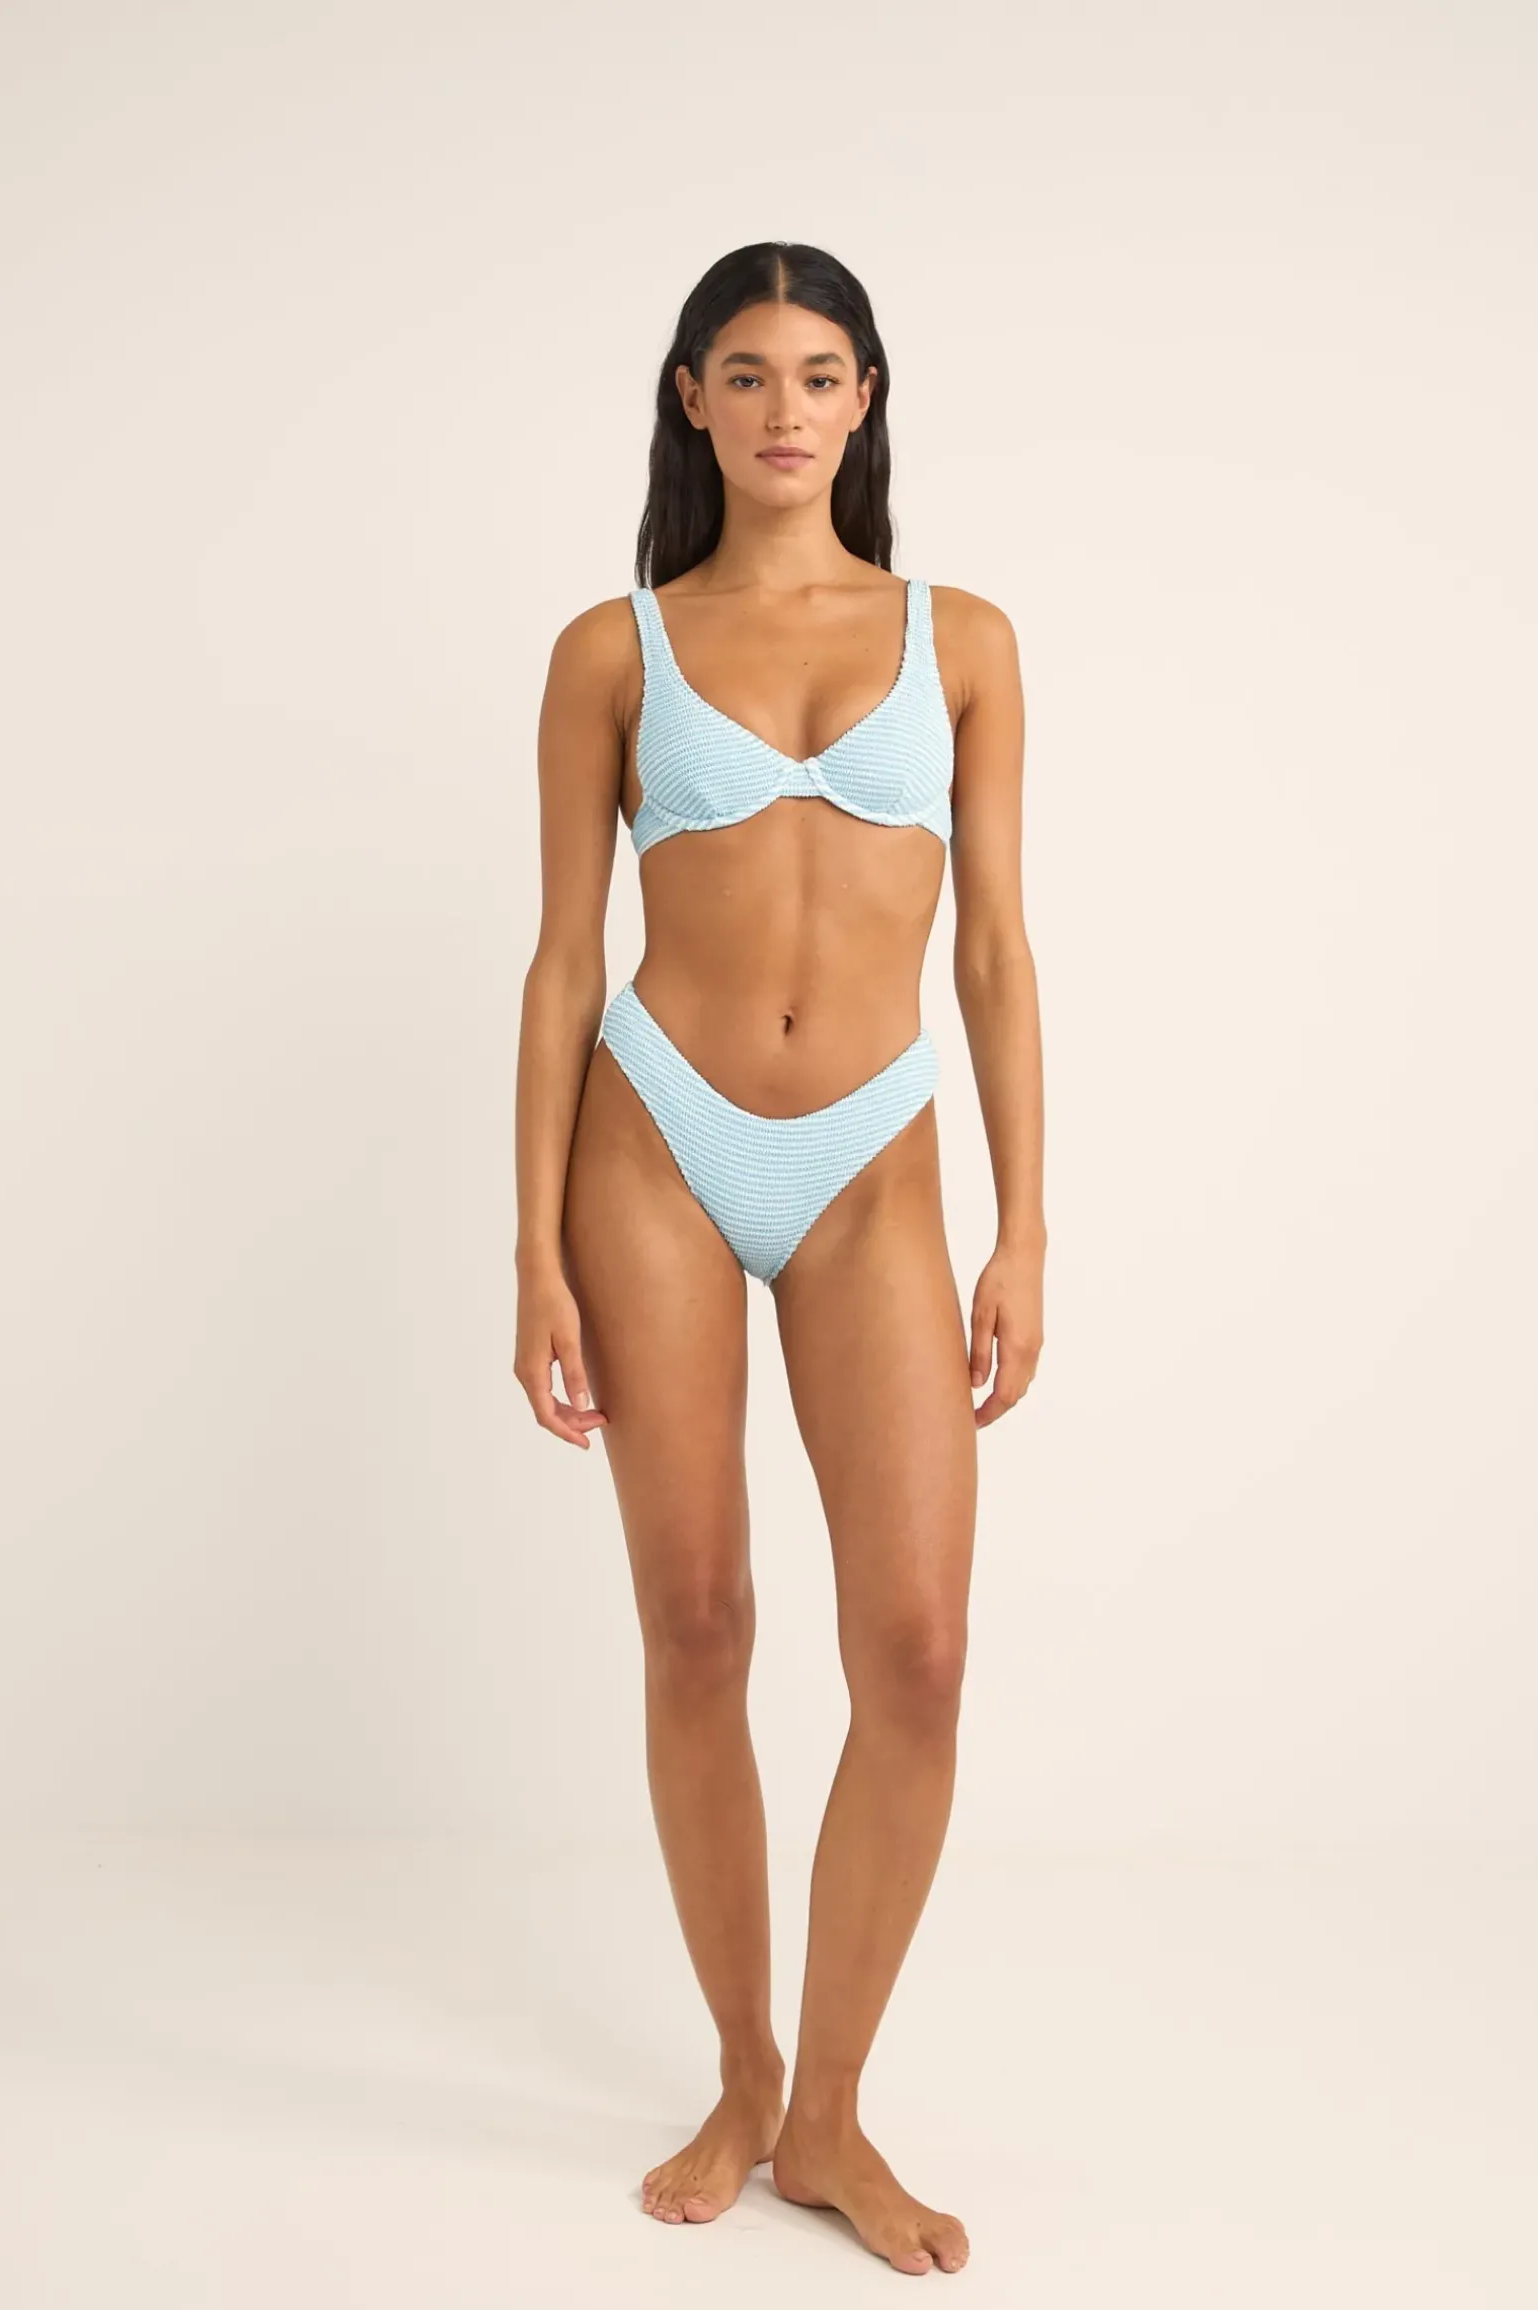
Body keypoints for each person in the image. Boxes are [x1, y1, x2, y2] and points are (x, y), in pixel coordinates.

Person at [514, 240, 1045, 2279]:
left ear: (866, 397)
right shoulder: (614, 649)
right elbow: (563, 962)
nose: (784, 407)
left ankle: (827, 2115)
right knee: (701, 1624)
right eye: (744, 373)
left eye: (820, 372)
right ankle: (742, 2073)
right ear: (691, 401)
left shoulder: (962, 639)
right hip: (651, 1139)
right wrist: (530, 1248)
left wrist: (1025, 1221)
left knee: (914, 1653)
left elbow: (993, 951)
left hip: (875, 1163)